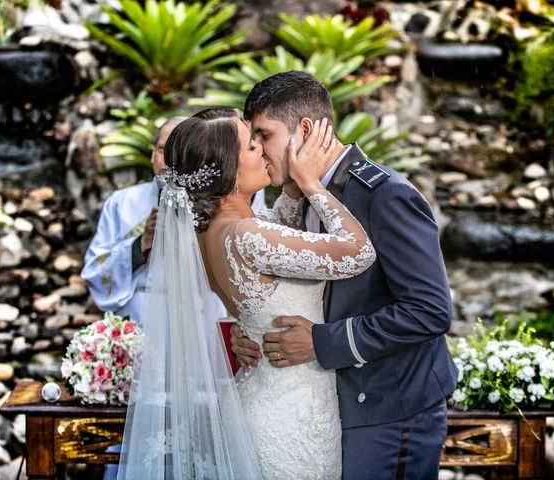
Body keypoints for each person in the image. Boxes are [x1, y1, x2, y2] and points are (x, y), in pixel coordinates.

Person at [117, 109, 376, 479]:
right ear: (232, 173)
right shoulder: (248, 235)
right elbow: (359, 252)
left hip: (264, 394)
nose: (265, 151)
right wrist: (310, 184)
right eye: (253, 147)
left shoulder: (206, 234)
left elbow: (281, 255)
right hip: (290, 415)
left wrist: (289, 191)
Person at [231, 70, 459, 479]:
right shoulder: (297, 196)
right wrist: (246, 329)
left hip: (392, 408)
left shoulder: (385, 194)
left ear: (304, 129)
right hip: (329, 406)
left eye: (264, 135)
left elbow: (430, 311)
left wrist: (322, 342)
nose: (258, 149)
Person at [81, 116, 267, 327]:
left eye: (176, 152)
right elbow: (94, 272)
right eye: (162, 150)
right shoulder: (121, 203)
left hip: (203, 315)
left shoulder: (221, 202)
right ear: (152, 154)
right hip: (140, 318)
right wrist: (140, 246)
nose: (169, 161)